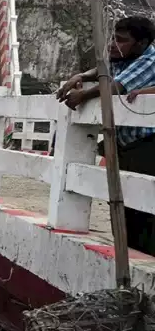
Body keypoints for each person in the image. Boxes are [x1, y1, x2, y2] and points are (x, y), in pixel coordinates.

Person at [56, 16, 155, 254]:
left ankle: (145, 258)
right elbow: (104, 68)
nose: (112, 44)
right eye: (113, 38)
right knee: (121, 204)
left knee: (143, 207)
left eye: (121, 40)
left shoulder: (149, 60)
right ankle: (129, 254)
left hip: (147, 144)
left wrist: (83, 95)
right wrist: (82, 76)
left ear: (141, 44)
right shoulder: (125, 57)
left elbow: (115, 86)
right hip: (125, 144)